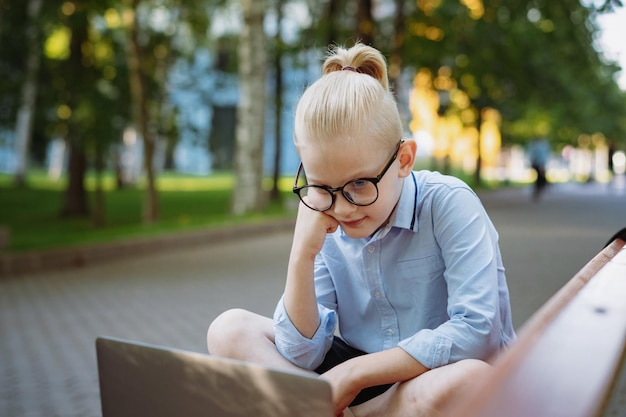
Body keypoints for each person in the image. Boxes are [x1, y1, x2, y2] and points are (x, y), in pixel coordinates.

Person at [207, 42, 515, 417]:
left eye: (358, 185)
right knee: (229, 329)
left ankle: (323, 408)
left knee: (469, 379)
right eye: (322, 187)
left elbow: (478, 334)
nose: (341, 207)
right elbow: (302, 353)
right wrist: (300, 256)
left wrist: (353, 374)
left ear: (403, 160)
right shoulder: (325, 218)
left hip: (430, 374)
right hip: (367, 385)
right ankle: (330, 408)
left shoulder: (448, 202)